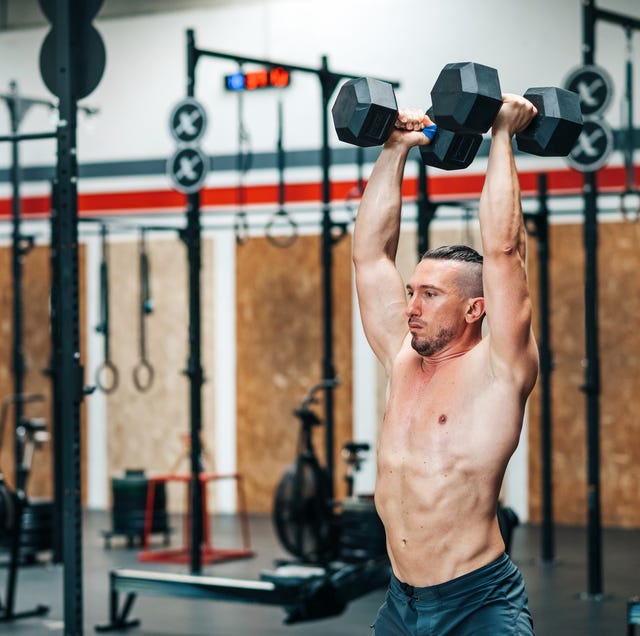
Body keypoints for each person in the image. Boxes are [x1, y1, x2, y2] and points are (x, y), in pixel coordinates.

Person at [353, 95, 540, 635]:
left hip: (476, 603)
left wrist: (502, 134)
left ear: (475, 308)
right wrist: (396, 148)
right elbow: (370, 258)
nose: (411, 307)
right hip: (400, 601)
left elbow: (504, 250)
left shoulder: (500, 369)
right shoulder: (403, 355)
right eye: (411, 292)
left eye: (430, 295)